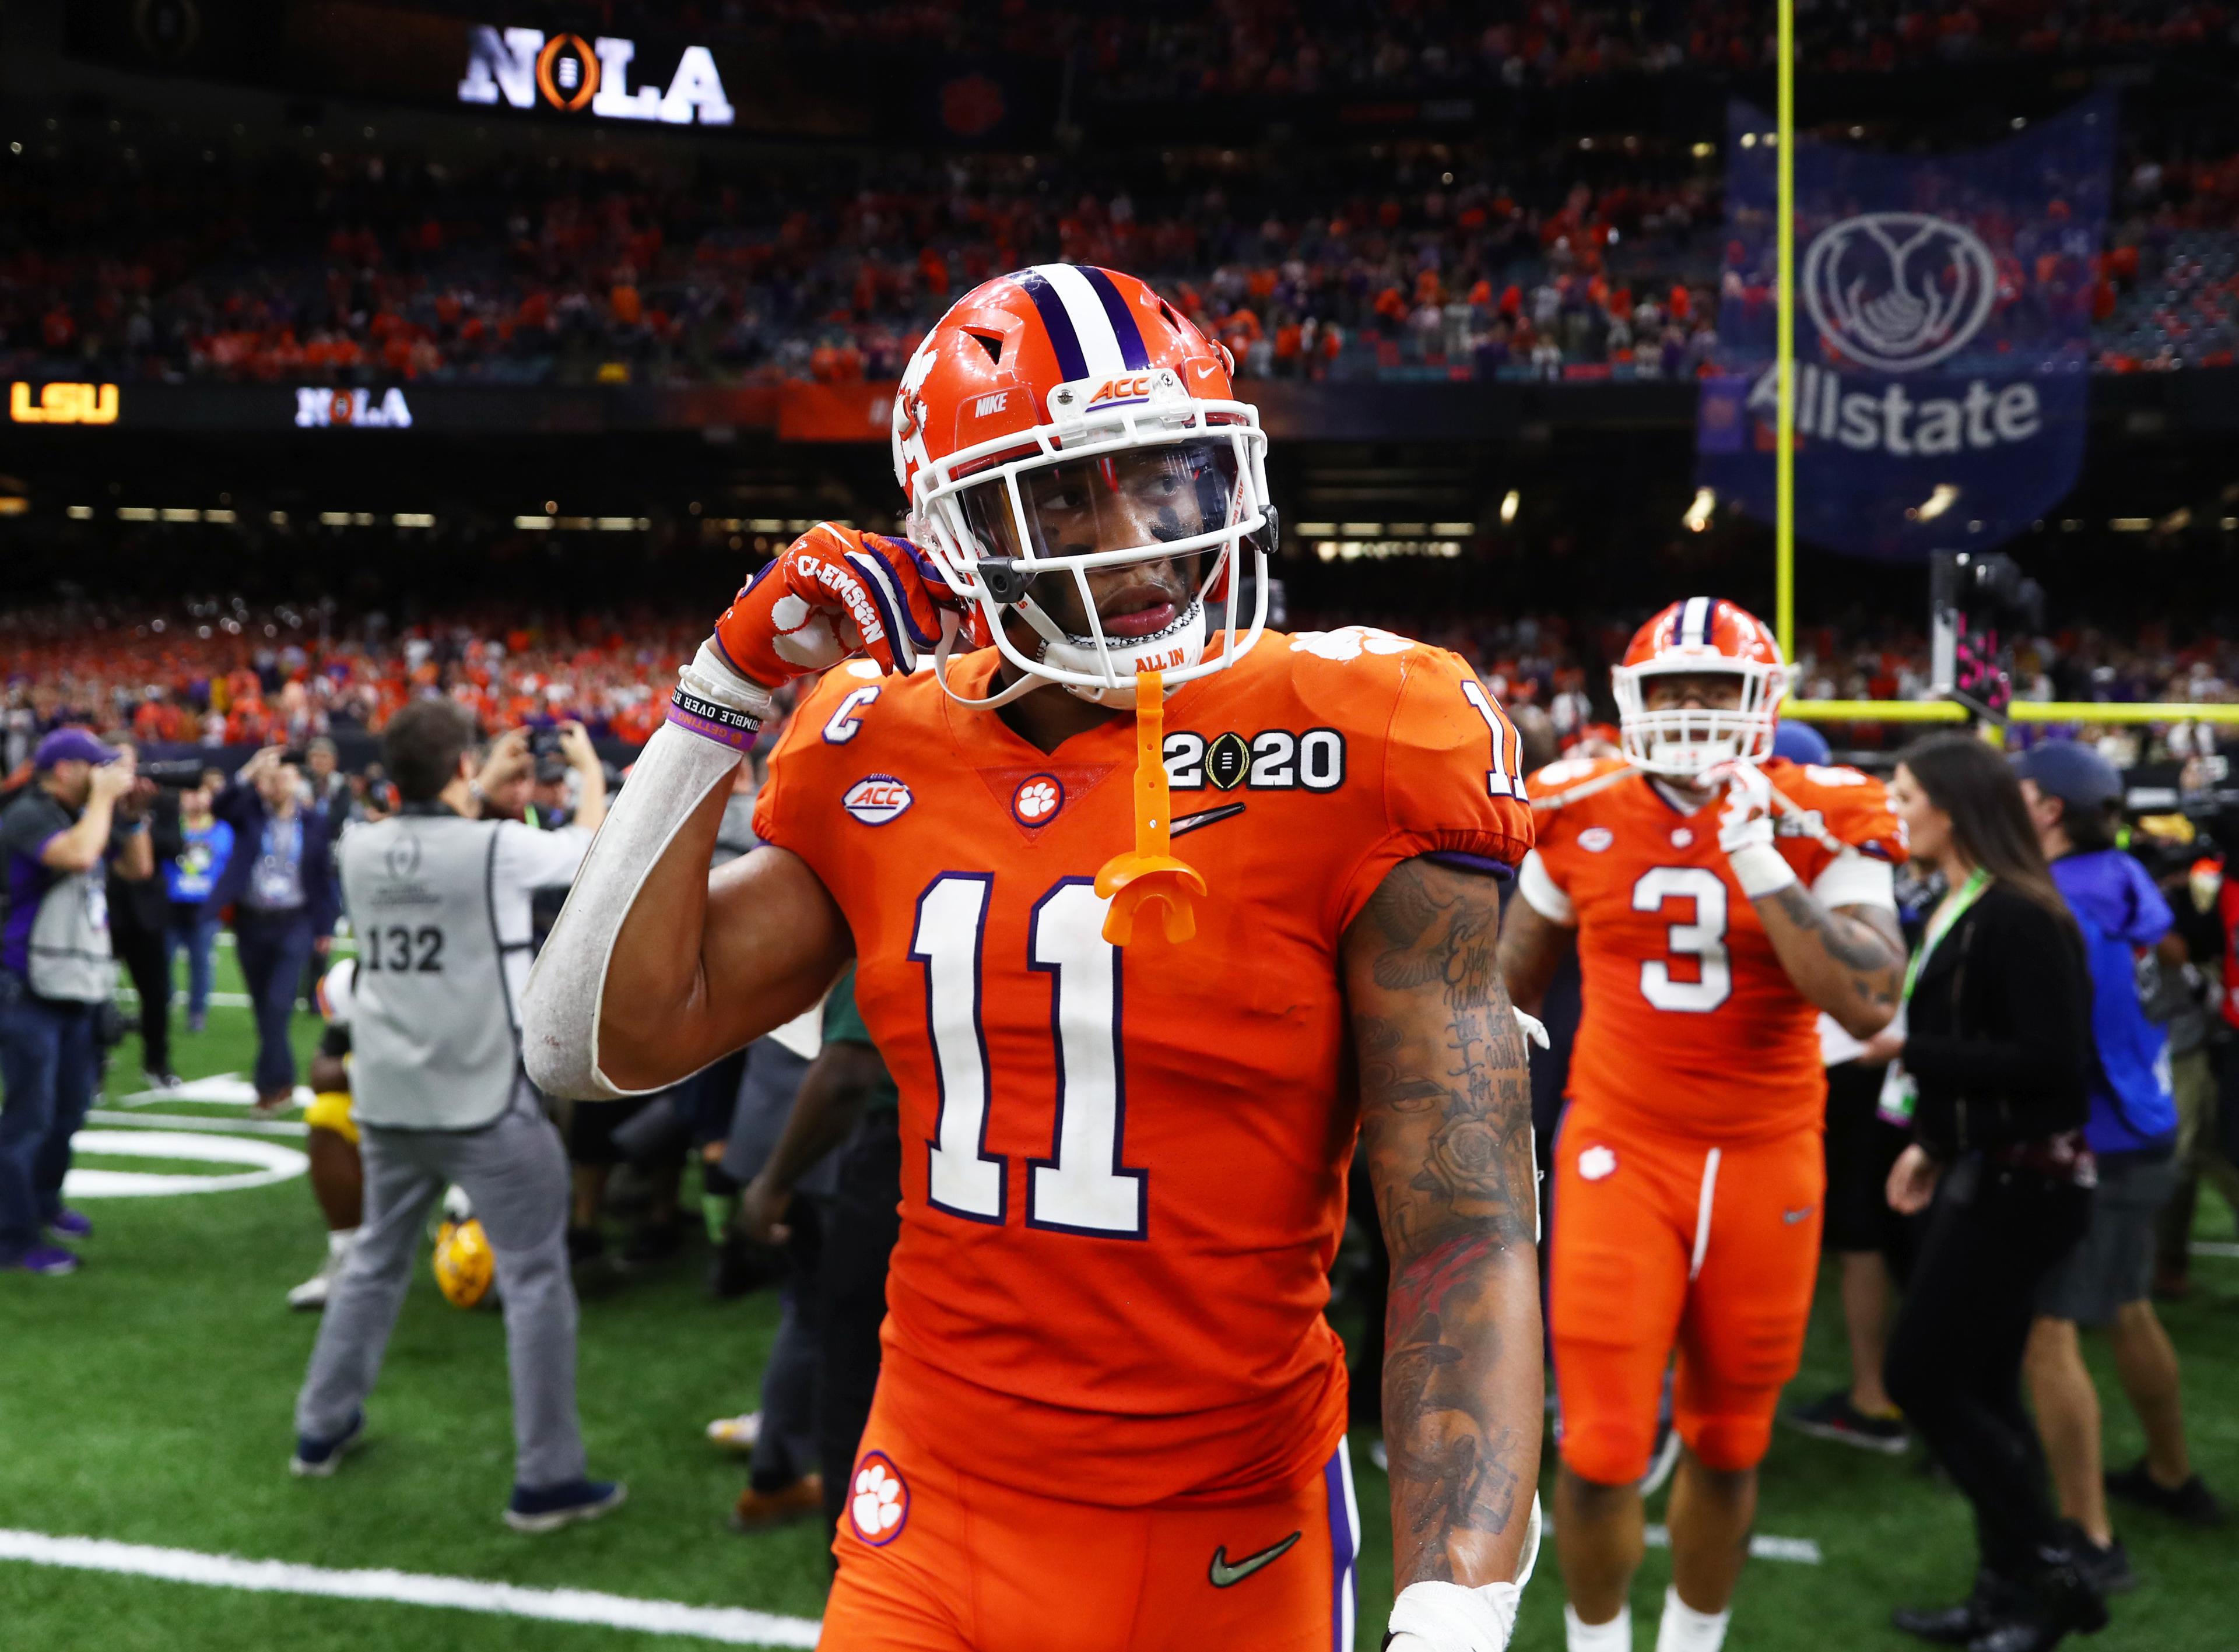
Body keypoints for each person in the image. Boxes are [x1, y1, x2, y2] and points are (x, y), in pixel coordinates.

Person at [526, 264, 1546, 1651]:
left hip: (1225, 1526)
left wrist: (1455, 1605)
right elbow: (589, 1044)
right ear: (953, 527)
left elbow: (1464, 1223)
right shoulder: (869, 739)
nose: (1131, 539)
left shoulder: (1367, 729)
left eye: (1162, 474)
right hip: (928, 1505)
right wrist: (726, 687)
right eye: (1062, 493)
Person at [1498, 597, 1907, 1652]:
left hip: (1769, 1151)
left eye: (1714, 687)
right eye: (1670, 687)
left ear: (1761, 703)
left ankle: (1691, 1641)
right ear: (1629, 700)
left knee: (1730, 1442)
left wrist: (1766, 863)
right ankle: (1597, 1644)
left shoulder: (1827, 807)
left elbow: (1869, 998)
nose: (1689, 707)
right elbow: (1505, 989)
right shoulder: (1572, 800)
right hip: (1619, 1148)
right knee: (1597, 1448)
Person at [290, 703, 620, 1531]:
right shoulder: (494, 848)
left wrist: (478, 783)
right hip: (484, 1094)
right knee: (537, 1279)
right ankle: (548, 1476)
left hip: (392, 1093)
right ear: (463, 768)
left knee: (373, 1262)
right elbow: (596, 849)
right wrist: (583, 769)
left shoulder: (358, 843)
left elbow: (431, 837)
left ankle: (320, 1424)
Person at [1869, 732, 2105, 1652]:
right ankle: (2008, 1594)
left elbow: (2054, 1073)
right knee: (1984, 1386)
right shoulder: (1969, 901)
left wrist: (1909, 1053)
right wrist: (1935, 1141)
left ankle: (2050, 1567)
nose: (1896, 808)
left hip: (2027, 1187)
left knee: (1919, 1375)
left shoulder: (2017, 913)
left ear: (1955, 806)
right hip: (1993, 1169)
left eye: (1905, 793)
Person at [2012, 741, 2223, 1583]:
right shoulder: (2121, 876)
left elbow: (2071, 1034)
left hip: (2102, 1133)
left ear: (2050, 809)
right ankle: (2173, 1474)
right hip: (2144, 1117)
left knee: (2047, 1332)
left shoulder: (2064, 901)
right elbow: (2168, 953)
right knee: (2130, 1307)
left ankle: (2086, 1533)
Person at [1777, 718, 1912, 1456]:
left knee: (1854, 1224)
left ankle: (1872, 1391)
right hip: (1863, 1054)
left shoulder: (1829, 846)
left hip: (1836, 1056)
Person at [739, 961, 906, 1552]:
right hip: (929, 1164)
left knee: (841, 1356)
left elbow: (848, 1070)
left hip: (896, 1160)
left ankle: (793, 1483)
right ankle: (779, 1470)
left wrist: (772, 1179)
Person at [0, 729, 153, 1275]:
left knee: (67, 1109)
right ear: (65, 770)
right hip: (27, 987)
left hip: (73, 986)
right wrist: (107, 801)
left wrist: (131, 816)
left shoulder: (83, 813)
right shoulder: (29, 815)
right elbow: (81, 854)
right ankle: (12, 1238)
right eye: (97, 767)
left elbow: (137, 869)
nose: (105, 776)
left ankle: (45, 1203)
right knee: (29, 1116)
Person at [212, 747, 339, 1110]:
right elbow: (220, 807)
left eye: (285, 776)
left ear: (298, 781)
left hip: (294, 920)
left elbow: (322, 878)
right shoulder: (249, 813)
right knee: (263, 1009)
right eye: (272, 777)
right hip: (251, 921)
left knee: (278, 1004)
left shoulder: (314, 822)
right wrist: (249, 770)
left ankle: (267, 1088)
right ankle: (282, 1081)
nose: (278, 782)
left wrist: (325, 925)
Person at [104, 740, 183, 1090]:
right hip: (104, 911)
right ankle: (94, 1066)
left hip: (147, 911)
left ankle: (157, 1062)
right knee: (96, 993)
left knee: (156, 993)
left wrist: (139, 821)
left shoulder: (159, 798)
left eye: (130, 763)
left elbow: (174, 846)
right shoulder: (95, 801)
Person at [287, 956, 364, 1311]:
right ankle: (346, 1253)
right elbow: (322, 1076)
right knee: (327, 1114)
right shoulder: (356, 982)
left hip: (476, 1112)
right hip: (399, 1110)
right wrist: (372, 1061)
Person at [164, 769, 234, 1035]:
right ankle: (167, 1002)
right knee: (164, 959)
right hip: (170, 904)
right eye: (189, 793)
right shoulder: (170, 825)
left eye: (199, 793)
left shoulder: (222, 829)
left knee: (201, 961)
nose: (194, 799)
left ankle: (197, 1012)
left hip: (204, 907)